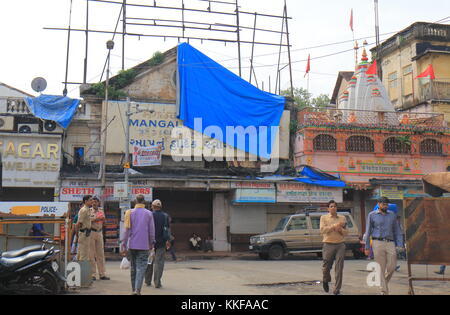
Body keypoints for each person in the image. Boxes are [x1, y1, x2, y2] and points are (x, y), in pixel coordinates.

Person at [364, 197, 403, 295]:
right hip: (377, 243)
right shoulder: (372, 215)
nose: (385, 206)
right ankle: (384, 291)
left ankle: (383, 282)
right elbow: (368, 232)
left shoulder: (392, 215)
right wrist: (367, 247)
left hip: (390, 242)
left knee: (392, 266)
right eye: (383, 204)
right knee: (380, 267)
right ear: (379, 204)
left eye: (386, 204)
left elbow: (397, 231)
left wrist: (400, 244)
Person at [121, 195, 155, 295]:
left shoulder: (129, 213)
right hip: (144, 246)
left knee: (133, 268)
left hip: (132, 245)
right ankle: (137, 290)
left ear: (135, 201)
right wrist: (152, 243)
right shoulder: (149, 214)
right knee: (141, 268)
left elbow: (126, 230)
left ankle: (133, 289)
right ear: (144, 202)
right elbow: (151, 231)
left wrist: (123, 244)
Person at [319, 200, 348, 295]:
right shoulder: (324, 218)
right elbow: (322, 230)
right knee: (326, 267)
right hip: (328, 244)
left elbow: (346, 232)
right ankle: (326, 279)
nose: (333, 208)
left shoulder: (342, 218)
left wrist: (340, 229)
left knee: (339, 268)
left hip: (340, 244)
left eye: (335, 206)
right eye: (331, 206)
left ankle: (337, 289)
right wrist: (334, 226)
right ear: (328, 208)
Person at [144, 199, 170, 288]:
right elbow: (167, 230)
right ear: (160, 207)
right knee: (159, 263)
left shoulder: (149, 215)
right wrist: (167, 241)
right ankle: (157, 283)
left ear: (153, 206)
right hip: (161, 243)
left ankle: (147, 281)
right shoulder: (165, 216)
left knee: (149, 262)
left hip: (150, 243)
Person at [89, 197, 110, 281]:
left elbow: (104, 221)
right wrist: (96, 219)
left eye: (96, 202)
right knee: (91, 254)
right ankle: (92, 274)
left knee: (100, 254)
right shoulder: (89, 211)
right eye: (93, 202)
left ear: (98, 203)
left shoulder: (101, 211)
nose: (94, 203)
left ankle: (102, 274)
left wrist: (104, 221)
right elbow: (87, 221)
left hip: (99, 232)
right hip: (91, 232)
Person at [76, 195, 94, 262]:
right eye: (90, 200)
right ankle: (82, 270)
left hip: (87, 233)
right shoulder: (83, 210)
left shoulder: (88, 209)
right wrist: (78, 234)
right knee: (83, 253)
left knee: (85, 252)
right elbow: (79, 223)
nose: (92, 201)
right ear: (86, 201)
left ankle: (83, 269)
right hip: (83, 233)